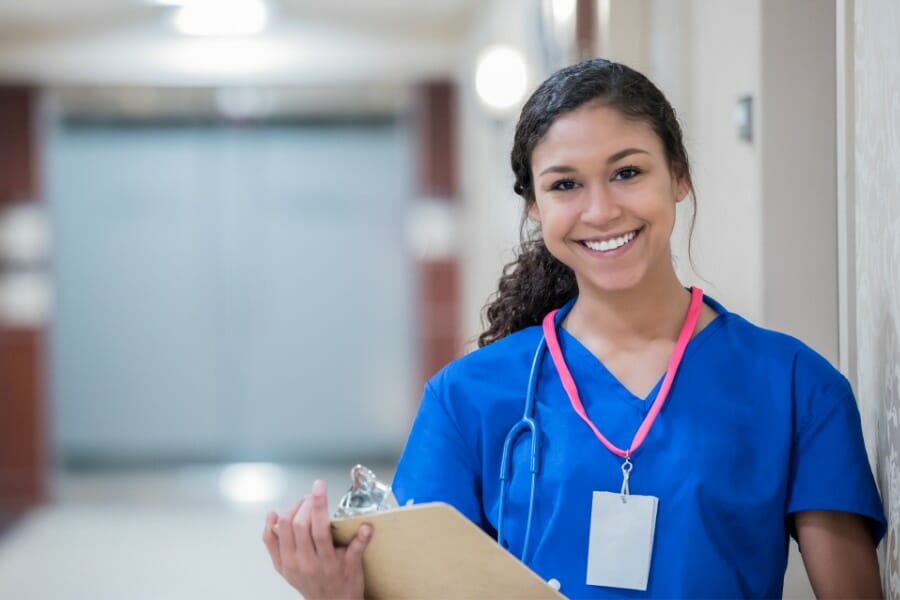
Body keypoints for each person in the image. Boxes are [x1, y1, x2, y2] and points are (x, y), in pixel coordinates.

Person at [262, 58, 886, 599]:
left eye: (627, 172)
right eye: (565, 185)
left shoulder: (798, 388)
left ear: (680, 176)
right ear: (535, 207)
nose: (600, 209)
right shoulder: (466, 399)